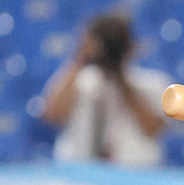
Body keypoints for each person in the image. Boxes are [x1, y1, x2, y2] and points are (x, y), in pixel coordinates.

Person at [41, 11, 169, 167]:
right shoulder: (78, 81)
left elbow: (154, 129)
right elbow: (52, 115)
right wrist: (80, 59)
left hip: (134, 174)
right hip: (77, 170)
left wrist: (120, 79)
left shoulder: (150, 83)